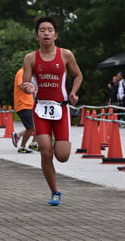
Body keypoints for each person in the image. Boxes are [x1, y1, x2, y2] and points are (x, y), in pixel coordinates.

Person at [22, 16, 83, 206]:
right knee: (45, 152)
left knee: (62, 156)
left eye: (49, 30)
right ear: (36, 36)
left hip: (61, 109)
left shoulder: (65, 55)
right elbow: (24, 83)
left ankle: (56, 141)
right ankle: (55, 192)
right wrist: (28, 88)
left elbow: (78, 75)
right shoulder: (30, 58)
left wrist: (73, 93)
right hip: (40, 109)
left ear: (56, 35)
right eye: (42, 30)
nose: (46, 33)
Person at [12, 67, 37, 154]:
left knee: (38, 125)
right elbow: (21, 86)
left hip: (30, 105)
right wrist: (32, 91)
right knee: (31, 127)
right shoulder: (21, 72)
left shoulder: (28, 74)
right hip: (23, 105)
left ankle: (33, 143)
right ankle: (22, 147)